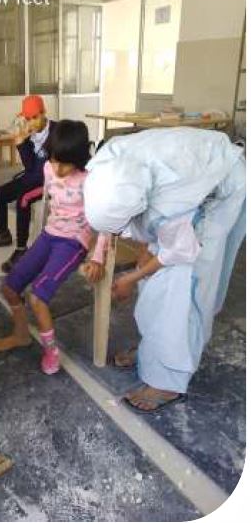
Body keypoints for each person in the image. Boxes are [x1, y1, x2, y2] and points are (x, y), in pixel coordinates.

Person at [83, 127, 246, 413]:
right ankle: (153, 351)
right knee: (153, 282)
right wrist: (143, 259)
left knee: (179, 292)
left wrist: (130, 277)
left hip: (221, 191)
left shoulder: (170, 204)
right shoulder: (110, 166)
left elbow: (177, 249)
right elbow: (140, 221)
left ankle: (169, 380)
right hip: (188, 182)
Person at [0, 120, 108, 375]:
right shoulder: (47, 168)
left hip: (73, 242)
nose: (58, 169)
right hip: (49, 235)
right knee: (10, 287)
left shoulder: (91, 180)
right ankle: (21, 334)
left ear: (78, 159)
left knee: (37, 297)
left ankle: (51, 351)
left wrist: (97, 257)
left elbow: (106, 221)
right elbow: (44, 189)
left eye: (65, 164)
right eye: (54, 160)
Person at [0, 95, 56, 273]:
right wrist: (21, 143)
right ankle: (3, 234)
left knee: (23, 200)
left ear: (44, 113)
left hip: (49, 181)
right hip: (31, 177)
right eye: (28, 118)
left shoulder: (57, 132)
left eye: (35, 117)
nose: (32, 122)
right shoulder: (28, 133)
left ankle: (22, 250)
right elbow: (30, 167)